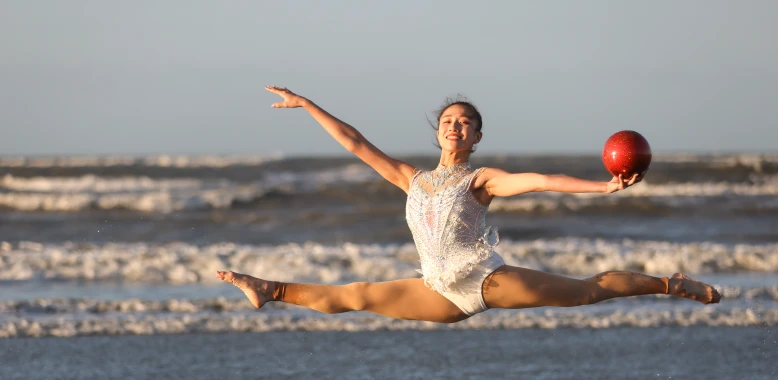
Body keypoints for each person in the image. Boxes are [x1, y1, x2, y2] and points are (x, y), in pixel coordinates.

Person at [217, 86, 721, 323]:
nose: (455, 126)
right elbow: (354, 141)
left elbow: (542, 180)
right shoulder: (412, 179)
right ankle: (269, 288)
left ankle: (670, 285)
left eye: (465, 123)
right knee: (358, 294)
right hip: (439, 291)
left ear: (476, 137)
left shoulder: (482, 179)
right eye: (448, 121)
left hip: (485, 280)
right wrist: (307, 105)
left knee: (588, 292)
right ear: (438, 131)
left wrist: (604, 187)